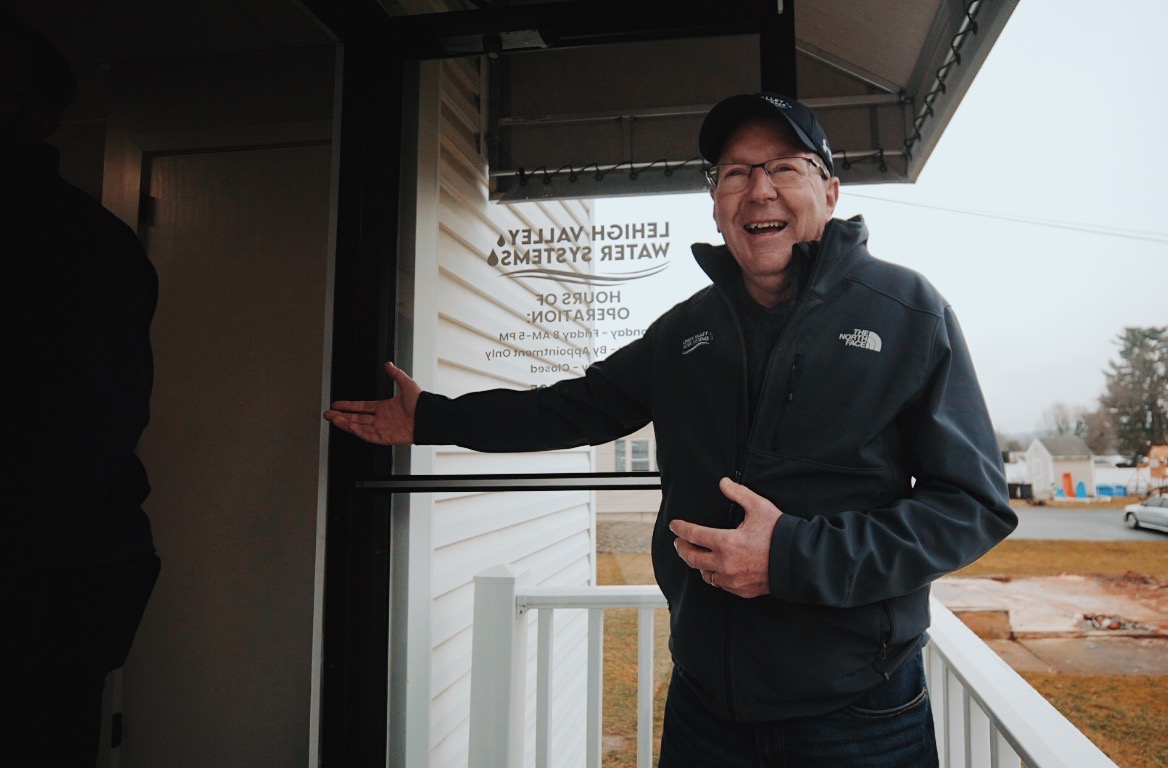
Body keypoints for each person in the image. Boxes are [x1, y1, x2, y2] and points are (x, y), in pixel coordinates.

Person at [325, 91, 1017, 766]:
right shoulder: (688, 330)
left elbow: (971, 507)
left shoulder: (907, 313)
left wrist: (791, 556)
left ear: (830, 192)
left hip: (860, 714)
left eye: (783, 167)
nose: (759, 190)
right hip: (706, 708)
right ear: (716, 206)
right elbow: (571, 408)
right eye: (735, 174)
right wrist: (434, 418)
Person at [5, 11, 162, 766]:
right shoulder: (94, 243)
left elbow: (87, 430)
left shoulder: (80, 249)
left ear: (34, 114)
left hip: (39, 605)